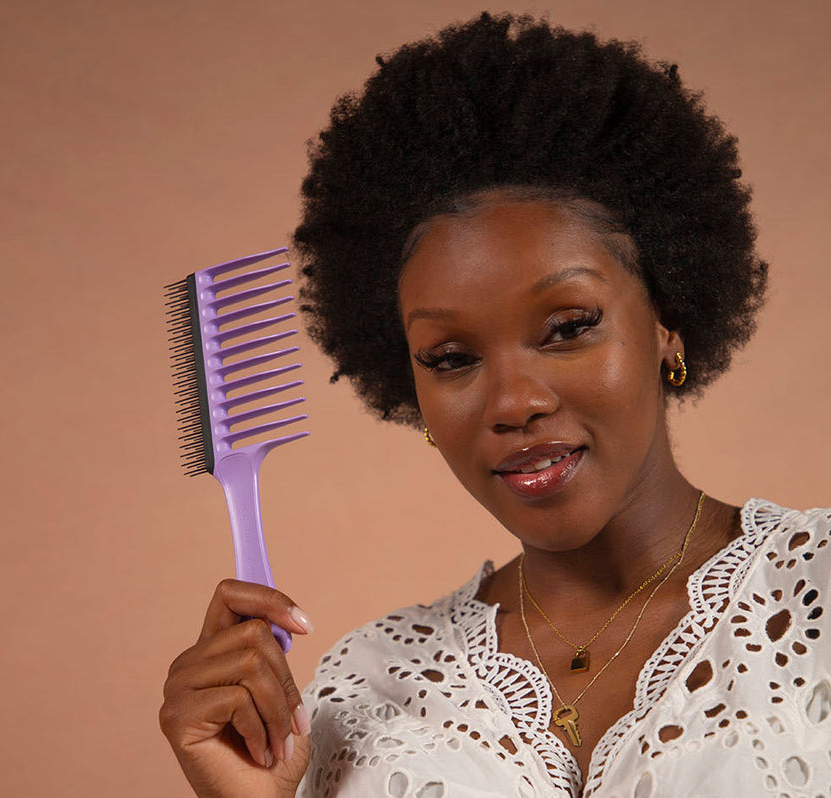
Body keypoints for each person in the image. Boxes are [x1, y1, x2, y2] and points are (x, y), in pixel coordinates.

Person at [158, 13, 830, 798]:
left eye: (569, 327)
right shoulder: (364, 693)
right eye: (452, 359)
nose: (513, 402)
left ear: (667, 324)